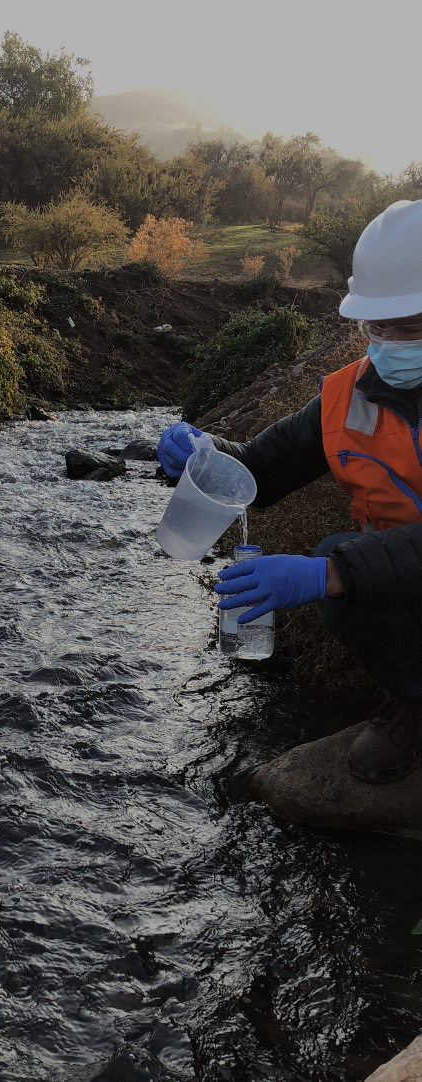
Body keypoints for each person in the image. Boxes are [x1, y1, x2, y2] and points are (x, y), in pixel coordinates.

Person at [157, 199, 422, 784]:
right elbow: (262, 470)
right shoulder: (345, 395)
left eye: (406, 326)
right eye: (376, 325)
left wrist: (328, 574)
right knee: (341, 563)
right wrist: (205, 457)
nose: (387, 341)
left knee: (335, 565)